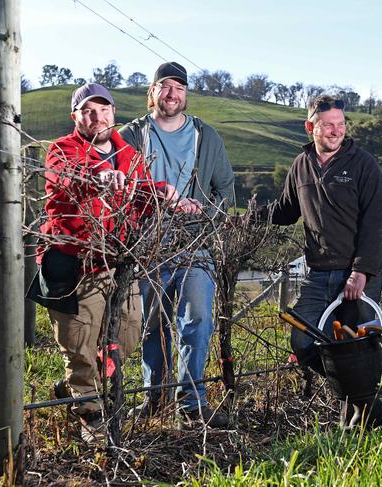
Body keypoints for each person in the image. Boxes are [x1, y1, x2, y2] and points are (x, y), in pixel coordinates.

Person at [27, 83, 176, 441]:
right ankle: (90, 414)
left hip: (118, 263)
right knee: (79, 343)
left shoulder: (129, 155)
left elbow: (139, 197)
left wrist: (161, 193)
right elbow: (65, 179)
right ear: (75, 116)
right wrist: (95, 178)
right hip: (75, 263)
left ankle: (75, 385)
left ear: (114, 113)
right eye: (88, 111)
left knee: (124, 338)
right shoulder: (61, 151)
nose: (98, 117)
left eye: (104, 109)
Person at [262, 95, 382, 428]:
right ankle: (369, 401)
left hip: (359, 272)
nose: (336, 131)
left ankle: (359, 422)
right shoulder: (301, 164)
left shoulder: (363, 164)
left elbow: (376, 222)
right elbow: (285, 211)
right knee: (303, 341)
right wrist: (244, 218)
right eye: (328, 125)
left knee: (355, 344)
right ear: (311, 126)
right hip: (319, 272)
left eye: (341, 124)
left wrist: (361, 271)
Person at [119, 62, 235, 427]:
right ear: (152, 91)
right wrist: (155, 206)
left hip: (195, 240)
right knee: (152, 323)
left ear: (186, 94)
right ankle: (155, 399)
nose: (172, 94)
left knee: (197, 319)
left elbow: (226, 190)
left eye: (179, 88)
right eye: (164, 87)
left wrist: (202, 213)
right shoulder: (132, 135)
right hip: (148, 242)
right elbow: (118, 187)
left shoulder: (207, 137)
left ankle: (192, 403)